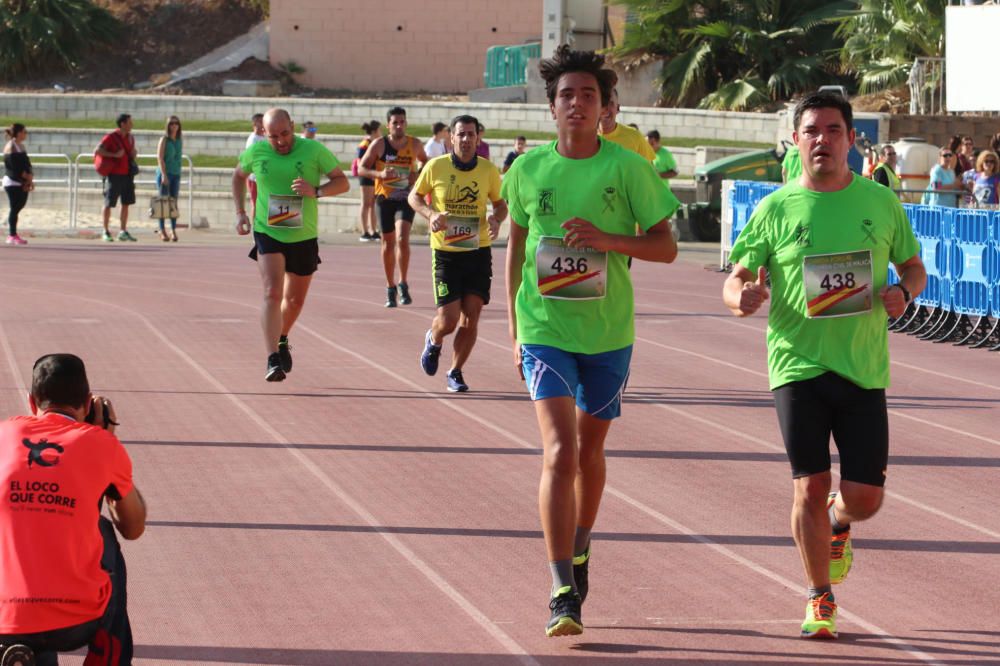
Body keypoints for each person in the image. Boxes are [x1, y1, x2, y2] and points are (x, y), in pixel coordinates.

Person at [723, 91, 925, 640]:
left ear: (851, 140)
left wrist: (903, 291)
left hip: (862, 367)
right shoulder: (776, 208)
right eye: (811, 130)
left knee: (864, 498)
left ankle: (840, 523)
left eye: (833, 130)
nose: (822, 140)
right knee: (808, 486)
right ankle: (819, 596)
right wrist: (739, 295)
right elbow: (736, 276)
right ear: (796, 140)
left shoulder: (880, 203)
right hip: (796, 365)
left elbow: (913, 265)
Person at [502, 45, 679, 638]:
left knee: (590, 453)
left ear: (604, 107)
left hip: (607, 332)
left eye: (588, 95)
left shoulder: (628, 169)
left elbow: (666, 246)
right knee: (559, 452)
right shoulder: (526, 171)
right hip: (544, 327)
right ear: (551, 107)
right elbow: (516, 246)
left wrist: (609, 240)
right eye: (566, 95)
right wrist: (512, 318)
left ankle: (580, 547)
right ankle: (560, 589)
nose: (576, 104)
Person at [0, 353, 147, 666]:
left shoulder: (3, 435)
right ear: (89, 402)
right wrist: (107, 438)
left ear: (31, 401)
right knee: (103, 529)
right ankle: (107, 659)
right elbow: (133, 527)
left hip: (6, 619)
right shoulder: (100, 444)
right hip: (76, 621)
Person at [232, 108, 350, 381]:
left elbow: (342, 182)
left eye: (285, 133)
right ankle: (272, 357)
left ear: (293, 126)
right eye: (274, 136)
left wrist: (316, 191)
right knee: (272, 292)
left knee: (294, 301)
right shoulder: (257, 153)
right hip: (268, 230)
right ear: (263, 133)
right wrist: (240, 213)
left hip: (302, 235)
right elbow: (238, 176)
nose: (281, 141)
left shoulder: (313, 150)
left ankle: (282, 336)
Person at [409, 115, 508, 393]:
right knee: (449, 320)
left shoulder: (488, 170)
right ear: (451, 138)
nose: (466, 140)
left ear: (478, 138)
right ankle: (434, 339)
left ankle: (455, 371)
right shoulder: (435, 167)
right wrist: (430, 215)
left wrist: (497, 219)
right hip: (446, 252)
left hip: (478, 249)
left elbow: (501, 204)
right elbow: (414, 197)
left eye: (471, 134)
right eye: (460, 134)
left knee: (472, 316)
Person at [357, 106, 429, 308]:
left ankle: (403, 282)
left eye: (402, 121)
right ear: (388, 125)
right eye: (395, 122)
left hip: (406, 198)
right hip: (384, 198)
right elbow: (361, 168)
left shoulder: (415, 144)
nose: (399, 125)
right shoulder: (379, 145)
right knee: (388, 243)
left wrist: (418, 173)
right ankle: (390, 287)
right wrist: (380, 175)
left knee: (401, 238)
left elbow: (426, 162)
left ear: (406, 123)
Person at [94, 114, 138, 243]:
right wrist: (114, 155)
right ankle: (105, 231)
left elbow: (131, 153)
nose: (132, 125)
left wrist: (134, 154)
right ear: (123, 124)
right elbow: (98, 150)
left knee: (126, 203)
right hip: (114, 174)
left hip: (127, 174)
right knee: (109, 203)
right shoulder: (110, 137)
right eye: (130, 122)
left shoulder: (130, 138)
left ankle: (123, 231)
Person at [597, 88, 656, 162]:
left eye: (610, 103)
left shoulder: (634, 136)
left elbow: (650, 170)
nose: (605, 108)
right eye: (602, 103)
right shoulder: (587, 139)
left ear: (617, 108)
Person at [3, 123, 33, 246]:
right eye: (24, 132)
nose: (26, 134)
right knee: (15, 207)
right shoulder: (11, 147)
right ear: (19, 133)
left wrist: (30, 179)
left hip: (21, 181)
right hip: (12, 181)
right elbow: (13, 167)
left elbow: (27, 163)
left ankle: (10, 226)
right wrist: (24, 177)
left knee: (20, 205)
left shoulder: (21, 146)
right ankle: (12, 235)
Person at [154, 115, 183, 242]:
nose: (174, 125)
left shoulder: (179, 139)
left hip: (176, 173)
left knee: (173, 203)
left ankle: (173, 230)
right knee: (163, 203)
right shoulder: (164, 139)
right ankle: (162, 230)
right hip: (165, 174)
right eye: (172, 123)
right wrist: (164, 175)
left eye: (176, 123)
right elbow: (160, 158)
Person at [356, 121, 382, 242]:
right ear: (374, 131)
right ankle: (364, 231)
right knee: (366, 203)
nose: (381, 133)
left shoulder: (375, 143)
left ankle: (373, 230)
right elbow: (360, 162)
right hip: (366, 177)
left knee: (373, 204)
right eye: (379, 130)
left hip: (375, 176)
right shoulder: (365, 144)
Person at [245, 113, 267, 223]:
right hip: (254, 178)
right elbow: (251, 160)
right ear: (254, 124)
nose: (263, 123)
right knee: (255, 203)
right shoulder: (253, 140)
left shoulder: (264, 138)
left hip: (264, 177)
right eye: (260, 121)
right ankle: (255, 230)